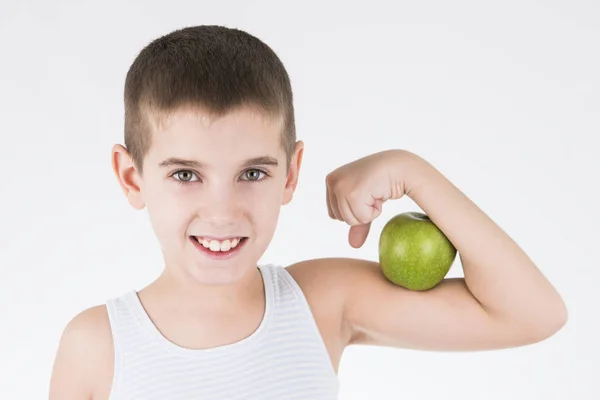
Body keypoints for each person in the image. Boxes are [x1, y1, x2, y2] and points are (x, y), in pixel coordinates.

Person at [48, 25, 567, 400]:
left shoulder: (320, 303)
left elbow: (532, 313)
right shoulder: (97, 345)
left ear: (291, 173)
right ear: (131, 177)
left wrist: (414, 171)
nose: (223, 211)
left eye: (253, 173)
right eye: (186, 174)